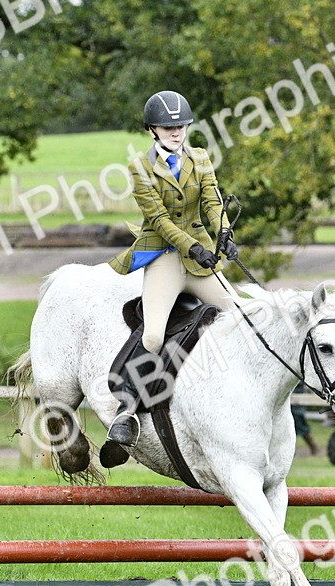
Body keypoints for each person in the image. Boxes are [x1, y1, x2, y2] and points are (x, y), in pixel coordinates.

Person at [104, 90, 242, 449]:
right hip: (165, 255)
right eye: (168, 128)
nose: (176, 132)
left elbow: (212, 200)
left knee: (239, 316)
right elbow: (160, 221)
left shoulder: (200, 158)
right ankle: (128, 406)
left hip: (200, 258)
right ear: (152, 130)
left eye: (180, 126)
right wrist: (194, 247)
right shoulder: (139, 168)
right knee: (152, 335)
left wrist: (224, 231)